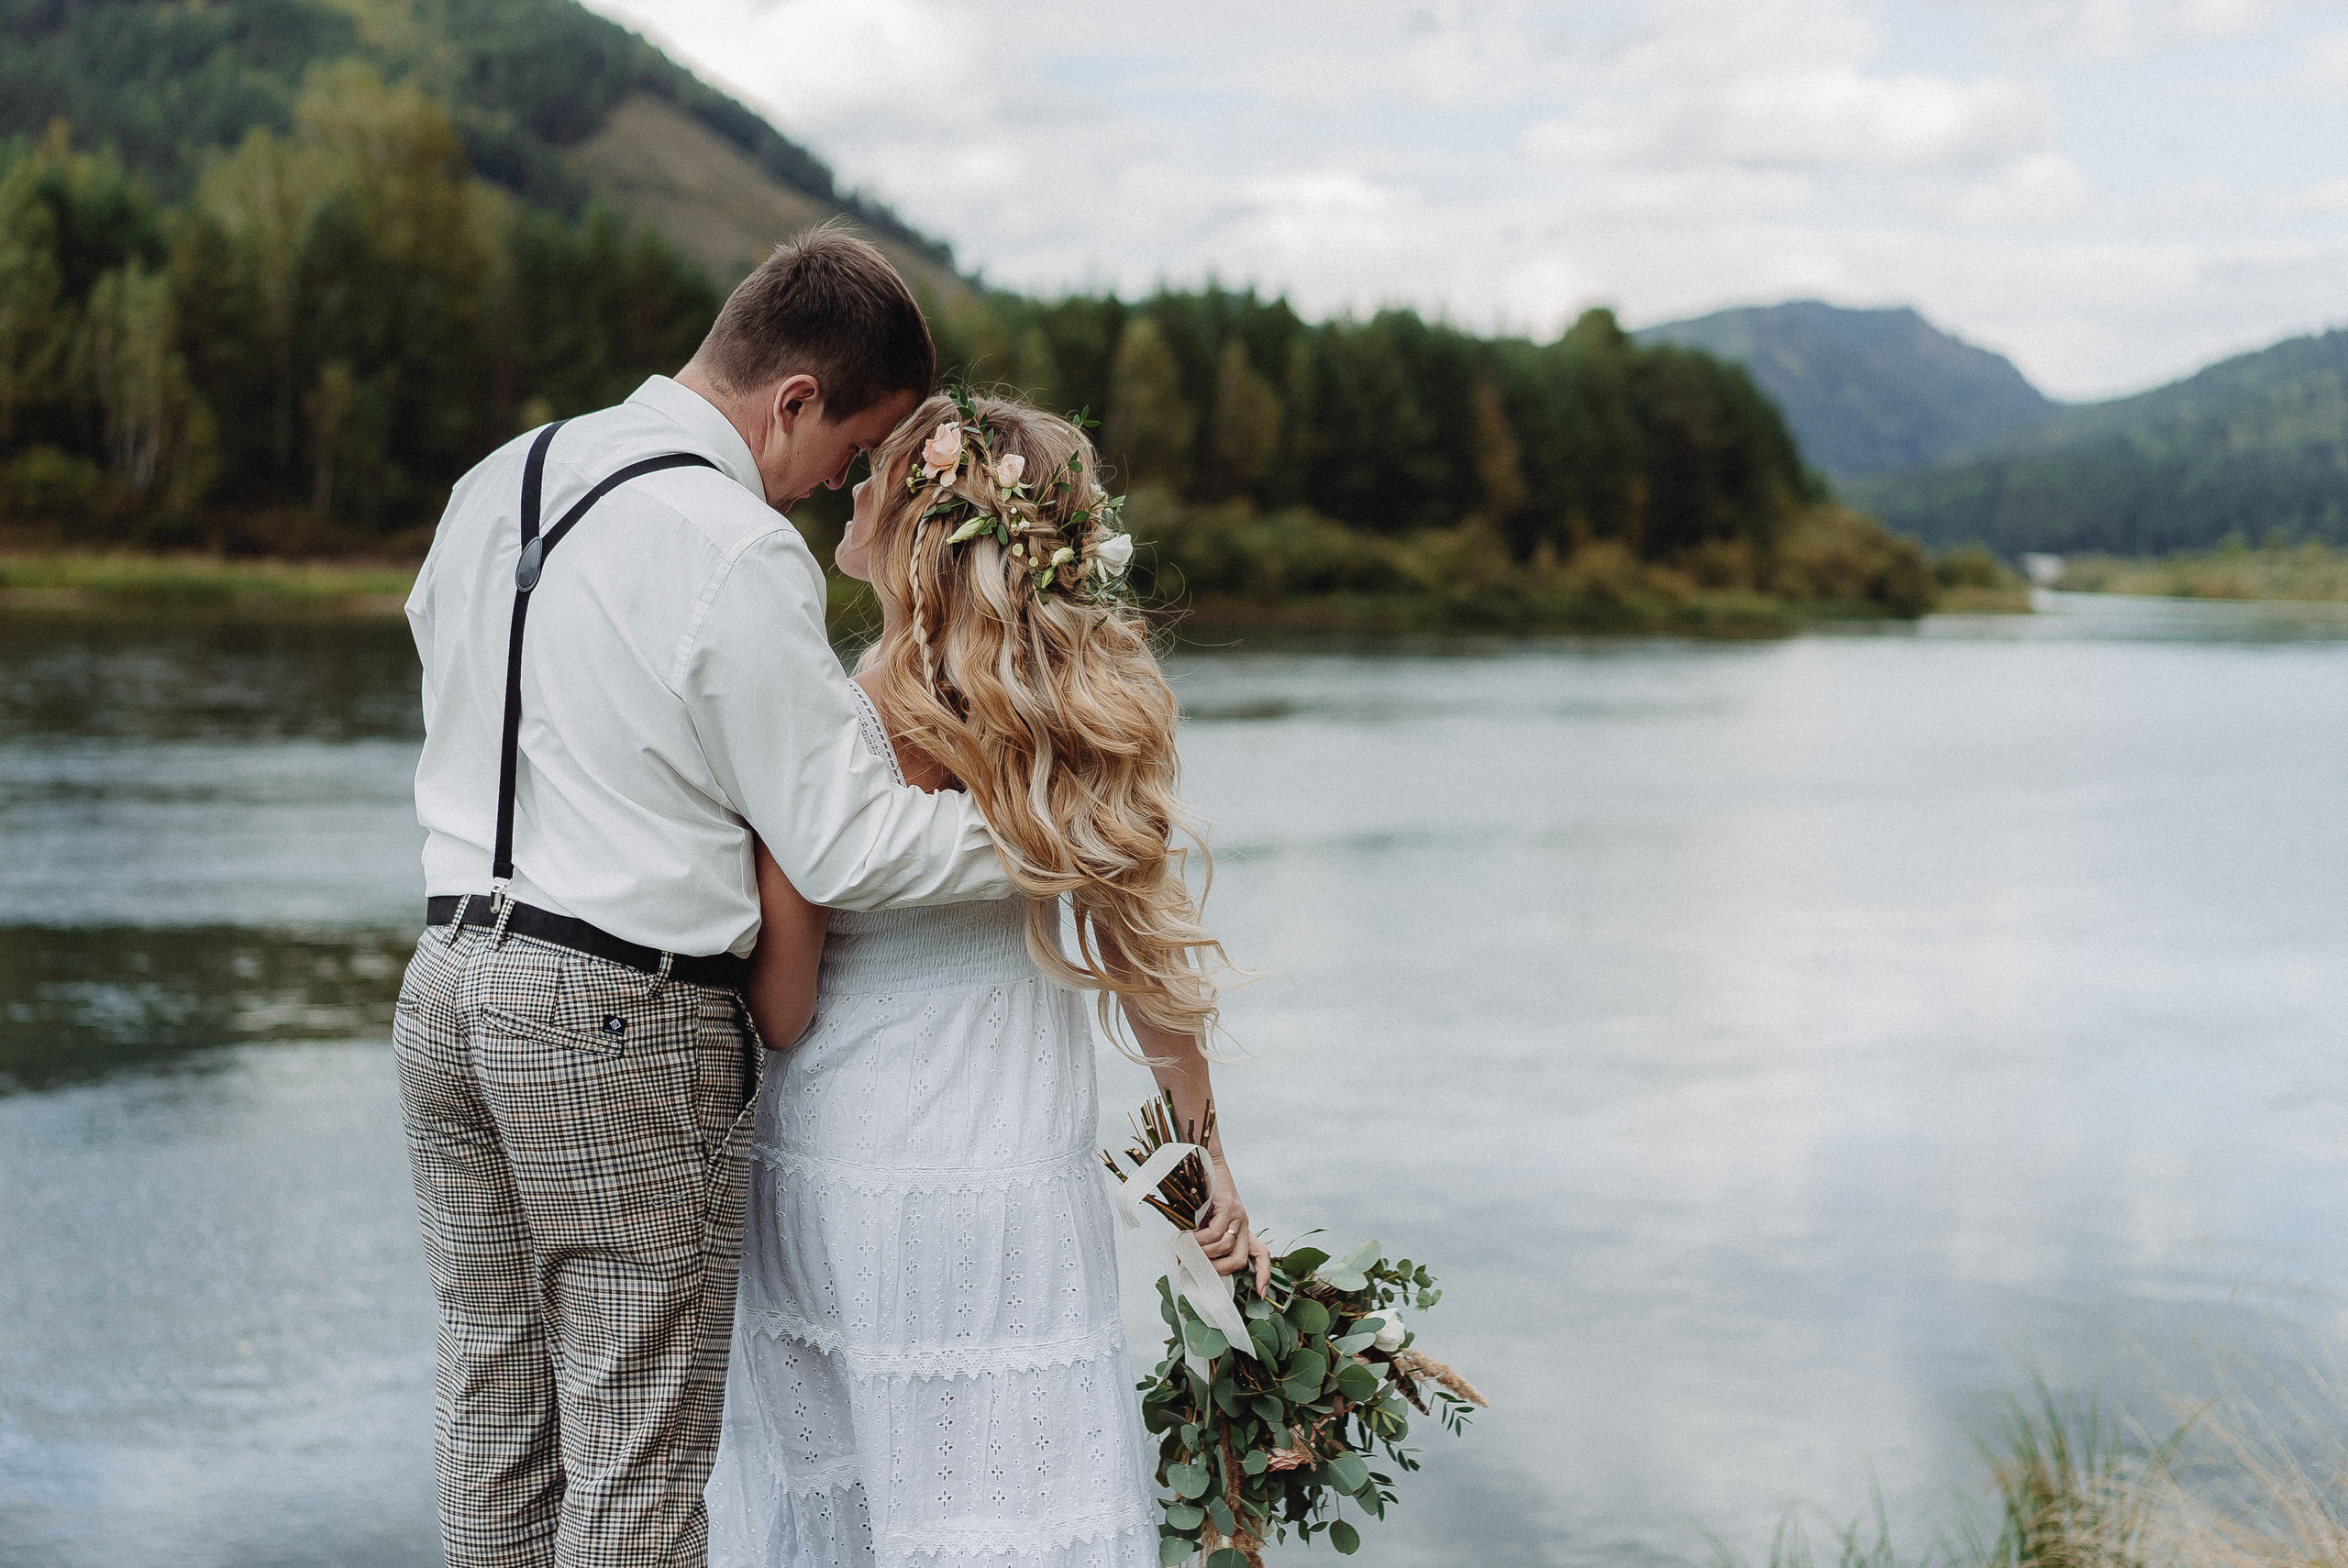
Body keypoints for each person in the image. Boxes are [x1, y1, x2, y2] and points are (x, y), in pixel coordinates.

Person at [393, 227, 1017, 1568]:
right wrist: (1047, 849)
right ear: (793, 399)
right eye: (849, 451)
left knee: (493, 1415)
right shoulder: (733, 543)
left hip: (444, 982)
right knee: (636, 1463)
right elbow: (845, 847)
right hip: (617, 1015)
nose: (835, 484)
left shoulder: (493, 482)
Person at [702, 393, 1269, 1567]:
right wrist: (1207, 1162)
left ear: (920, 529)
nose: (847, 489)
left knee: (848, 1511)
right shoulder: (1075, 738)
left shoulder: (831, 732)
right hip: (1010, 1184)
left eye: (873, 475)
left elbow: (785, 1009)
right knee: (1016, 1512)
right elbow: (1150, 978)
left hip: (838, 1178)